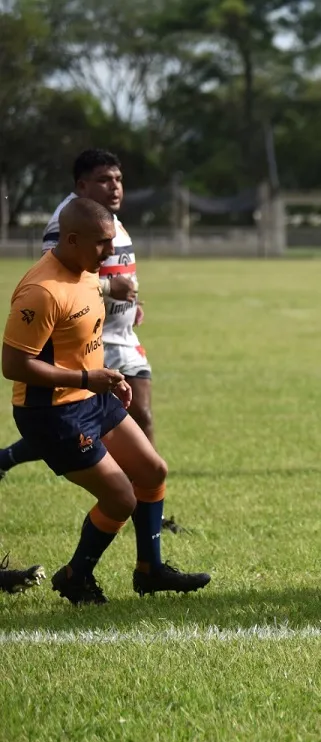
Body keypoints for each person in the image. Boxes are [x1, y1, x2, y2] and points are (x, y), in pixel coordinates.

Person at [2, 198, 210, 604]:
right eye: (101, 243)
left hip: (92, 395)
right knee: (120, 497)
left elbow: (80, 342)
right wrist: (86, 377)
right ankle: (75, 576)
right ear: (72, 239)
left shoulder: (85, 272)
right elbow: (14, 364)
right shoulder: (41, 290)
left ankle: (150, 571)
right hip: (52, 413)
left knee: (152, 471)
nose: (110, 252)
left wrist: (106, 380)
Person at [0, 150, 151, 484]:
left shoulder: (108, 217)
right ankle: (136, 498)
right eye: (104, 179)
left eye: (118, 179)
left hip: (118, 332)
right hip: (87, 338)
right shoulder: (68, 221)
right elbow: (62, 278)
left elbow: (108, 269)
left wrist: (129, 304)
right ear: (82, 185)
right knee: (97, 422)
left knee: (138, 418)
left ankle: (145, 499)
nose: (115, 187)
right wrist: (111, 288)